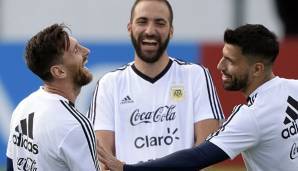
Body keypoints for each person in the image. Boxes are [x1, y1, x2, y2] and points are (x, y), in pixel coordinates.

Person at [97, 24, 298, 171]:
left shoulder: (251, 116)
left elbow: (196, 158)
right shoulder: (295, 87)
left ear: (257, 69)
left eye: (230, 61)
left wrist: (127, 169)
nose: (219, 66)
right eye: (222, 56)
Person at [88, 0, 224, 169]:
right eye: (142, 21)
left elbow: (207, 156)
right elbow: (102, 160)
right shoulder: (109, 84)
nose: (150, 31)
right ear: (130, 28)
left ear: (171, 31)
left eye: (160, 23)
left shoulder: (196, 76)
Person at [6, 24, 99, 171]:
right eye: (76, 50)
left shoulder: (23, 107)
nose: (86, 51)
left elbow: (11, 164)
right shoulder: (74, 125)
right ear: (59, 71)